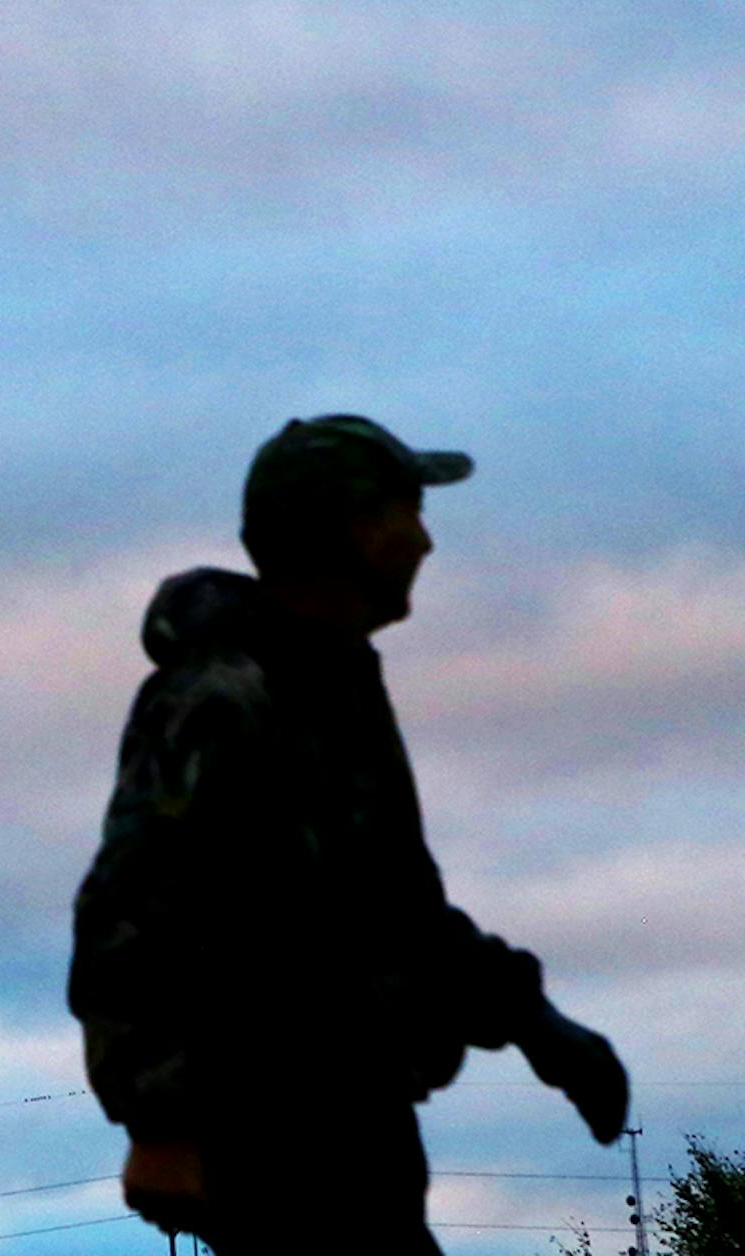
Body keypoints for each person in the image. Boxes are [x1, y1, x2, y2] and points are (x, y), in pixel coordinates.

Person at [66, 415, 630, 1253]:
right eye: (411, 511)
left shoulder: (337, 688)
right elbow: (131, 909)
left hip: (358, 1123)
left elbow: (394, 909)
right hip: (273, 1134)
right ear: (358, 529)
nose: (427, 543)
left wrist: (532, 1020)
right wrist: (162, 1126)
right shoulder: (224, 697)